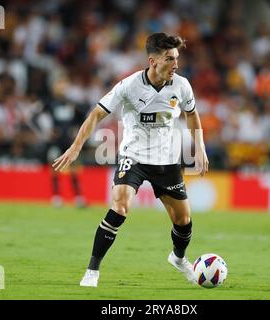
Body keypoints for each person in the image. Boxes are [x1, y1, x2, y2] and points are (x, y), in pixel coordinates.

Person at [52, 32, 209, 287]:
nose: (176, 65)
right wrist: (75, 148)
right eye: (170, 59)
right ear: (152, 61)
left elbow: (192, 115)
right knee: (120, 207)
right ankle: (92, 271)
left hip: (167, 162)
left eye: (177, 59)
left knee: (183, 221)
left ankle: (178, 259)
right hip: (133, 157)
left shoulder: (182, 85)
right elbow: (95, 115)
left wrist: (199, 147)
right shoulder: (129, 86)